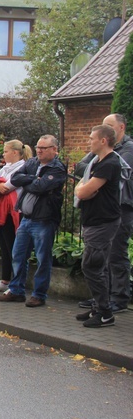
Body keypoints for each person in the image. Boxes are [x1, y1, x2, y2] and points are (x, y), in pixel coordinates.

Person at [0, 135, 66, 307]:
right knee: (18, 255)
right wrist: (34, 180)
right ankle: (16, 290)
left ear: (54, 150)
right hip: (26, 219)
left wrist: (30, 182)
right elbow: (16, 179)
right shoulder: (32, 162)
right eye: (38, 147)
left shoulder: (57, 168)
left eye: (44, 148)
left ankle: (39, 294)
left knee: (43, 258)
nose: (39, 151)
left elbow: (41, 187)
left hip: (44, 219)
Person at [76, 113, 133, 313]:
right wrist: (91, 174)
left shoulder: (125, 151)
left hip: (120, 207)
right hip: (97, 209)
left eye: (108, 125)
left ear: (121, 128)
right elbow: (80, 166)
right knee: (100, 258)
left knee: (116, 254)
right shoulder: (101, 153)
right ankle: (102, 298)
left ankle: (119, 297)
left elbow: (109, 174)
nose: (104, 128)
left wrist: (89, 177)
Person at [0, 140, 32, 293]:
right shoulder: (5, 168)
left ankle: (15, 282)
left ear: (15, 152)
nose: (3, 154)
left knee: (13, 247)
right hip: (0, 211)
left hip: (13, 212)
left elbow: (5, 187)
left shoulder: (22, 167)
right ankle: (5, 279)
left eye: (5, 151)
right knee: (4, 247)